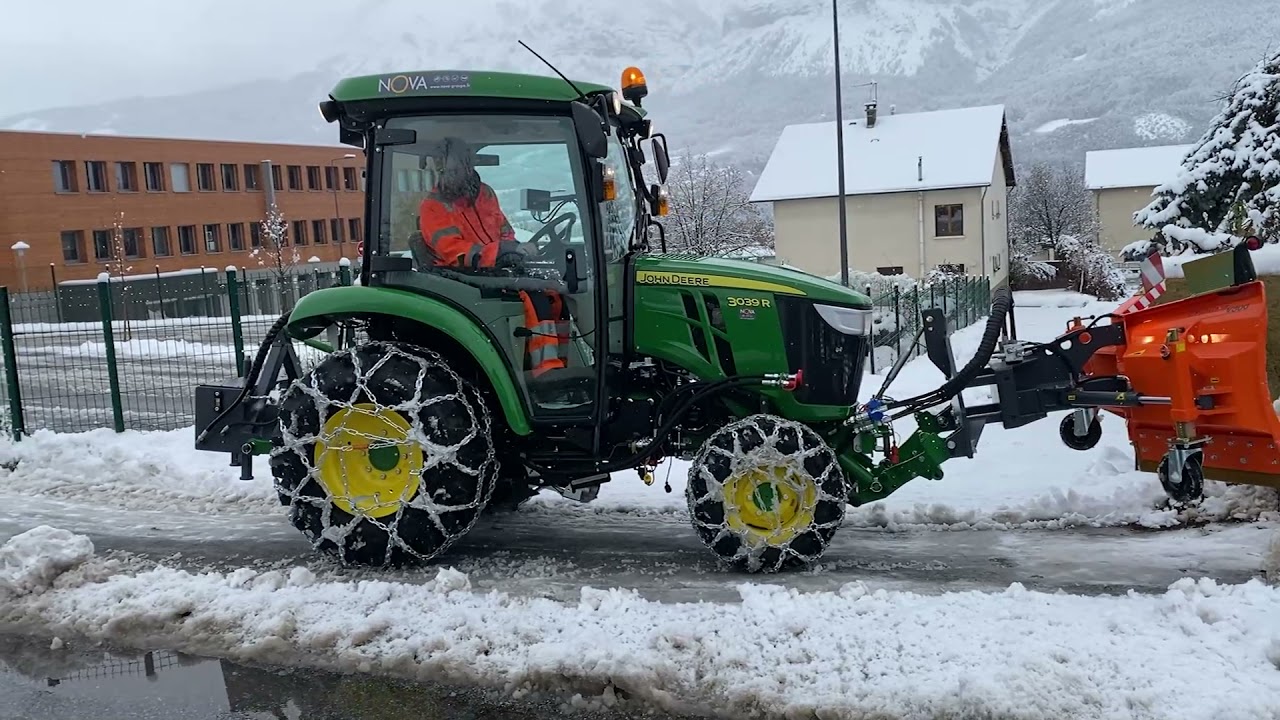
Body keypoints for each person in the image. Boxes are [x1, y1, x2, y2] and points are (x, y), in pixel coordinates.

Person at [417, 137, 571, 380]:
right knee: (534, 295)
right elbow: (454, 252)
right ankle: (545, 373)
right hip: (461, 274)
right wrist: (499, 252)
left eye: (455, 166)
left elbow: (504, 229)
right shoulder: (433, 207)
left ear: (468, 165)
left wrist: (514, 249)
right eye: (444, 168)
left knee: (554, 291)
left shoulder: (485, 193)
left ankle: (562, 364)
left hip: (493, 267)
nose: (449, 172)